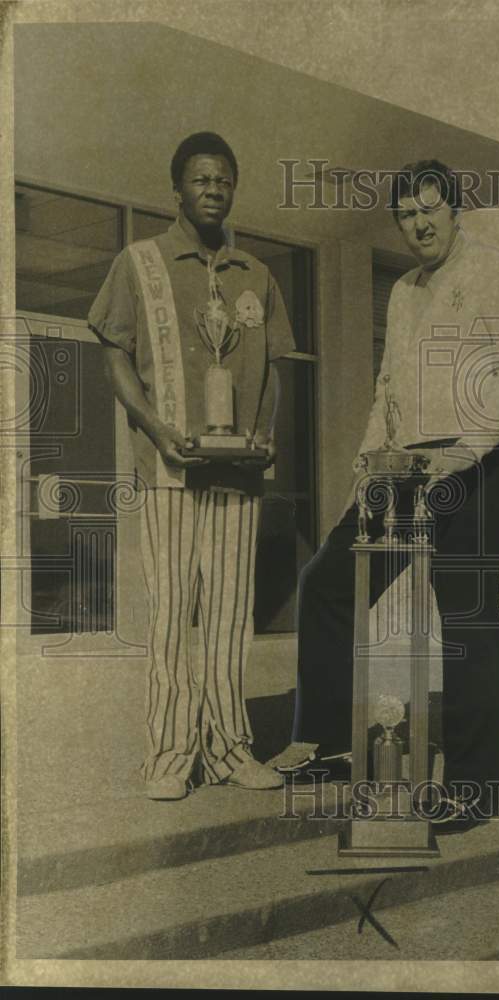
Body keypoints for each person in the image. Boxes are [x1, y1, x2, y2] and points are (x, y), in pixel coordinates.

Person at [269, 160, 499, 828]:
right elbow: (389, 389)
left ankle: (475, 789)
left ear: (455, 210)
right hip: (406, 466)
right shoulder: (402, 291)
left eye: (430, 208)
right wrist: (369, 464)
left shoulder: (495, 272)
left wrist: (466, 450)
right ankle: (332, 736)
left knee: (467, 615)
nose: (419, 223)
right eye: (407, 214)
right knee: (330, 583)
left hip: (479, 462)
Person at [88, 132, 295, 800]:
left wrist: (264, 433)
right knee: (174, 611)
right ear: (178, 188)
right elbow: (115, 353)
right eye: (201, 179)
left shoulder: (254, 274)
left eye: (224, 179)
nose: (213, 189)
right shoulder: (140, 262)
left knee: (233, 614)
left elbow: (275, 373)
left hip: (237, 474)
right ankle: (171, 753)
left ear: (234, 188)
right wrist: (154, 427)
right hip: (170, 470)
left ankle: (230, 746)